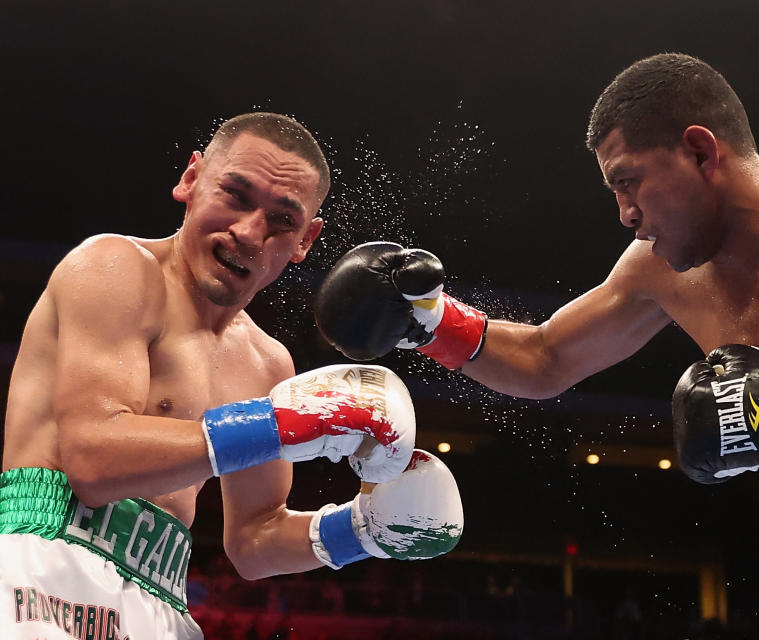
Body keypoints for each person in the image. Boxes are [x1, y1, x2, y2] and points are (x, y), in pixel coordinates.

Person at [314, 54, 759, 638]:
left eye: (628, 181)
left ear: (701, 151)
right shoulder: (658, 268)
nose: (623, 212)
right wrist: (427, 320)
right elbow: (545, 360)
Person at [1, 112, 464, 639]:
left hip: (162, 600)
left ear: (305, 240)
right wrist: (287, 424)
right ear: (191, 180)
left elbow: (253, 541)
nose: (247, 231)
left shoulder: (267, 364)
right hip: (45, 568)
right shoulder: (115, 268)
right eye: (236, 195)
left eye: (282, 220)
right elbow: (93, 461)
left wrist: (361, 530)